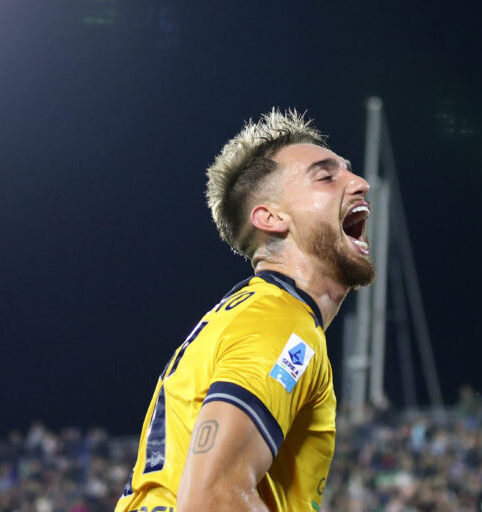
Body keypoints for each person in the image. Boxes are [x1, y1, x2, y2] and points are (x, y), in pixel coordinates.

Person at [115, 108, 375, 512]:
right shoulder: (283, 324)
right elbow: (212, 499)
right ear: (270, 217)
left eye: (349, 171)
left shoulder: (253, 315)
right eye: (326, 177)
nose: (360, 183)